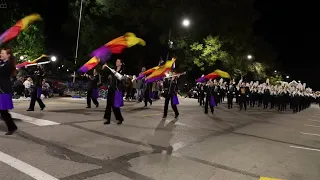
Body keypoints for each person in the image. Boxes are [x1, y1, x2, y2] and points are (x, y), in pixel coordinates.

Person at [0, 48, 18, 135]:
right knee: (3, 111)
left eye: (3, 53)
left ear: (8, 55)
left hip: (4, 89)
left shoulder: (8, 65)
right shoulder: (2, 63)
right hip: (1, 89)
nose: (1, 55)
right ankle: (12, 127)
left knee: (3, 110)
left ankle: (12, 127)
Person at [103, 59, 125, 124]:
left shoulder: (122, 70)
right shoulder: (113, 69)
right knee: (108, 104)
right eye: (116, 61)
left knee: (115, 105)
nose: (116, 62)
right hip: (111, 88)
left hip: (117, 89)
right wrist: (105, 67)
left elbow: (120, 78)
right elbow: (108, 75)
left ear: (121, 63)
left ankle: (119, 118)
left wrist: (114, 72)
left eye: (118, 61)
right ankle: (107, 119)